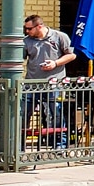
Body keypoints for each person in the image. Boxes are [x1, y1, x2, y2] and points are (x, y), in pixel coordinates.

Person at [22, 14, 75, 148]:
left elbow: (71, 54)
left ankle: (59, 145)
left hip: (54, 83)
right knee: (23, 114)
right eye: (25, 29)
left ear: (39, 26)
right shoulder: (27, 41)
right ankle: (19, 145)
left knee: (56, 114)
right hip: (32, 83)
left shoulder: (59, 36)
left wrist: (55, 63)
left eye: (29, 29)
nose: (27, 32)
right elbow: (20, 58)